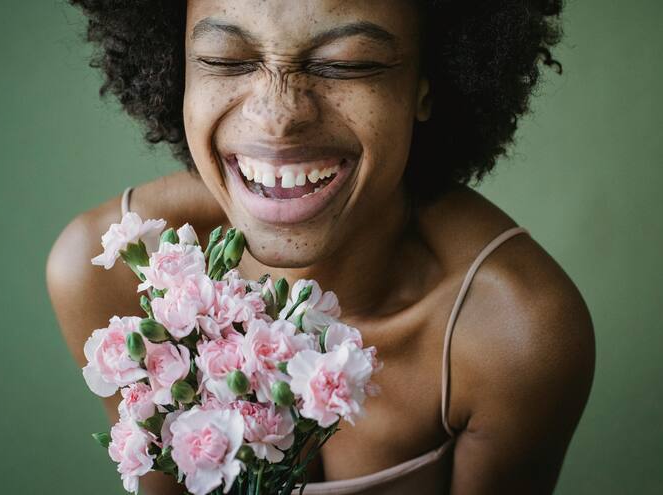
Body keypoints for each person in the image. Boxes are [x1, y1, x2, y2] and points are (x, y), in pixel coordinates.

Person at [46, 1, 595, 493]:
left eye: (347, 62)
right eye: (225, 58)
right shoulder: (114, 271)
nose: (279, 116)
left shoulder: (513, 333)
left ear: (427, 85)